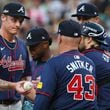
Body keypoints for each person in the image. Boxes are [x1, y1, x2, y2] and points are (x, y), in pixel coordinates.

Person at [33, 20, 98, 110]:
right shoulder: (91, 63)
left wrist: (43, 84)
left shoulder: (53, 63)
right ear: (80, 40)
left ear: (59, 38)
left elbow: (42, 99)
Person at [0, 2, 32, 110]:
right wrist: (13, 85)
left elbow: (25, 77)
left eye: (20, 21)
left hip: (17, 104)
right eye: (14, 19)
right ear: (3, 17)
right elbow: (16, 84)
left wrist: (31, 84)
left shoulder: (22, 45)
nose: (18, 24)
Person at [79, 22, 110, 110]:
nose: (76, 40)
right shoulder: (103, 54)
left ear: (89, 39)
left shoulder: (88, 57)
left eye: (79, 37)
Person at [22, 27, 52, 110]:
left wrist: (43, 85)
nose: (31, 50)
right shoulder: (29, 64)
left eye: (33, 46)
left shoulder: (55, 65)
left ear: (45, 44)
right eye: (29, 46)